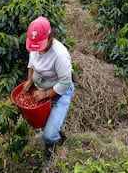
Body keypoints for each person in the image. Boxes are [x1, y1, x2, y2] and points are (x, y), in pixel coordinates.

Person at [23, 16, 75, 169]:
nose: (37, 48)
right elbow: (31, 63)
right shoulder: (35, 47)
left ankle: (50, 155)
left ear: (50, 37)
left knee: (48, 134)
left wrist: (46, 94)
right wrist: (30, 80)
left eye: (40, 45)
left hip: (61, 90)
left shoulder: (60, 55)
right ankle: (58, 130)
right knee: (46, 121)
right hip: (42, 86)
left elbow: (65, 83)